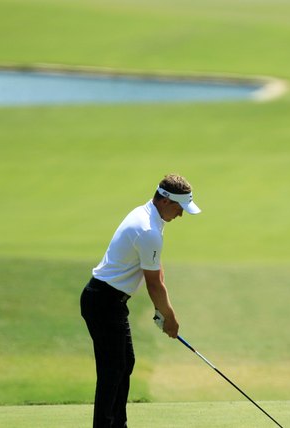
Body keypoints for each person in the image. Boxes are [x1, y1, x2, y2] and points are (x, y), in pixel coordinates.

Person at [80, 173, 201, 428]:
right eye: (179, 208)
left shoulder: (150, 216)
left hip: (109, 301)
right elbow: (153, 284)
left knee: (124, 363)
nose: (180, 215)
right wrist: (170, 317)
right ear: (166, 201)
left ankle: (117, 424)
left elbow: (155, 267)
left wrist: (162, 310)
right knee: (112, 370)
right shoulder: (147, 230)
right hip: (103, 301)